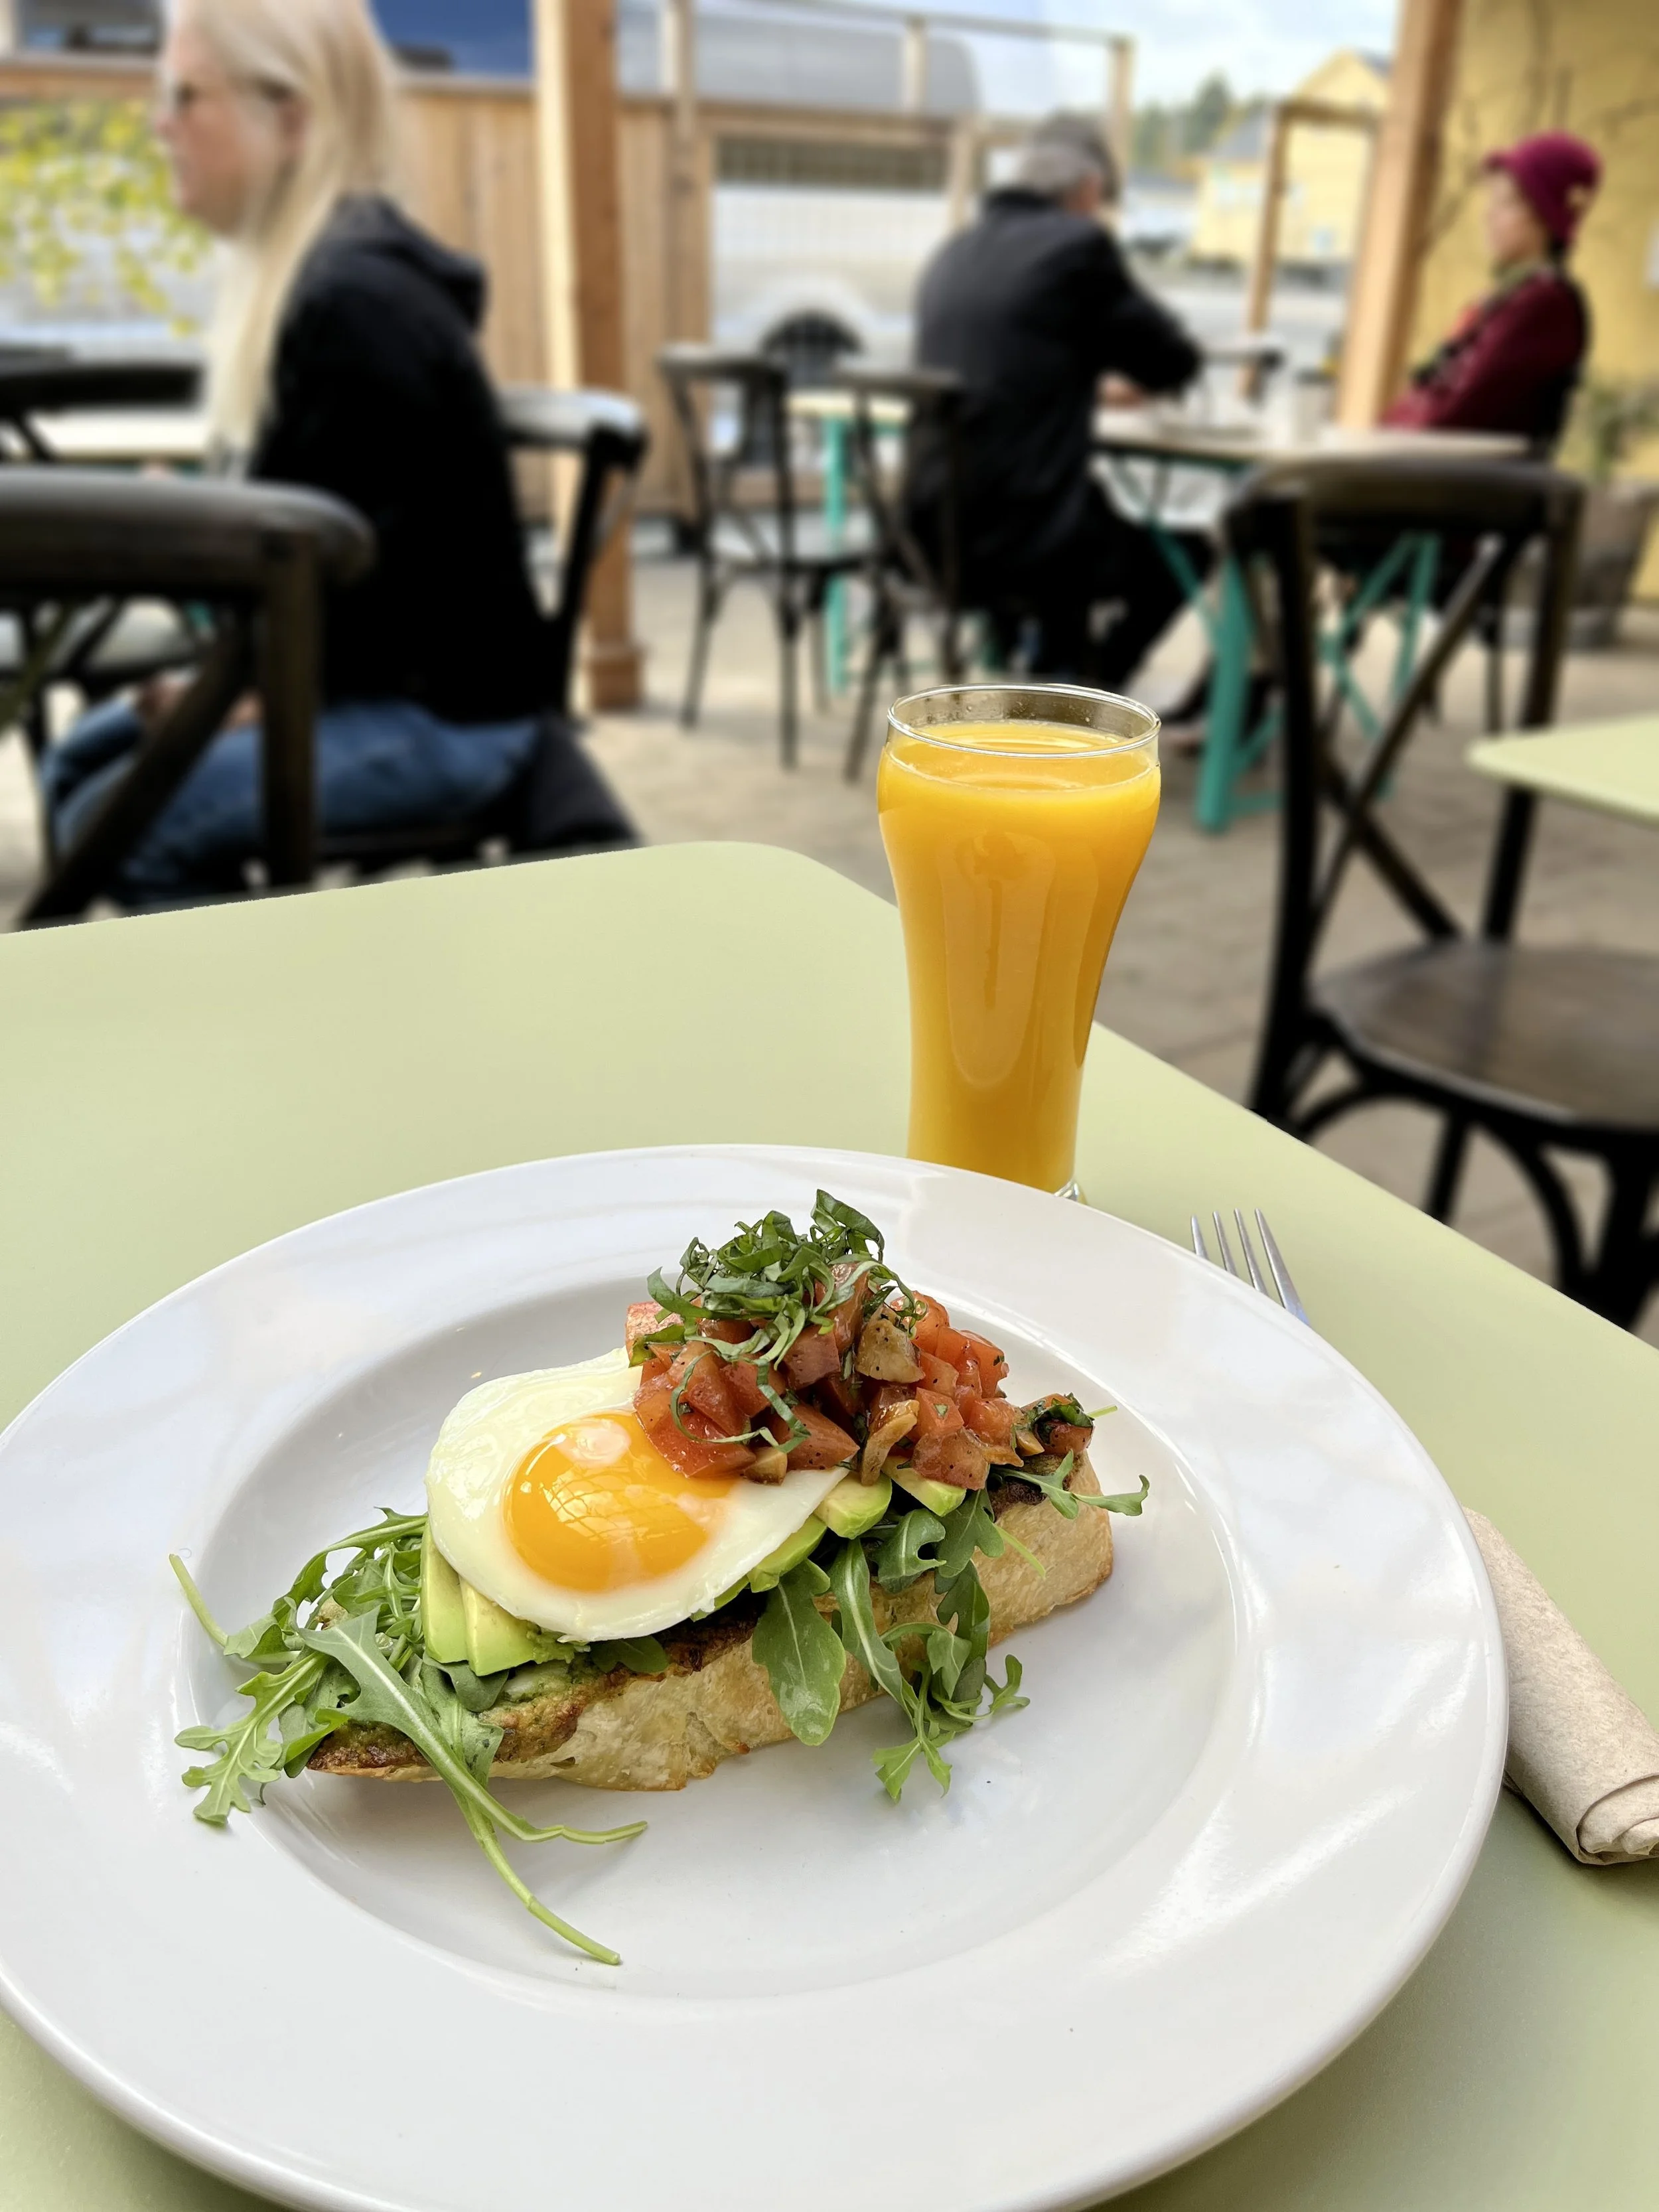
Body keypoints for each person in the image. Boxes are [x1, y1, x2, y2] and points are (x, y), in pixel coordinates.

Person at [43, 0, 628, 906]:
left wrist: (258, 696)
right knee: (77, 766)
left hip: (450, 713)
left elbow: (395, 595)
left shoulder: (352, 307)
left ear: (291, 118)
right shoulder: (324, 282)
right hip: (388, 682)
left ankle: (274, 1036)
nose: (158, 121)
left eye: (182, 93)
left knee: (115, 823)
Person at [907, 113, 1206, 691]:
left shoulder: (954, 252)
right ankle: (1084, 692)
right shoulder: (1078, 247)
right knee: (1186, 556)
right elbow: (1172, 361)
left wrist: (1080, 383)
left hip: (926, 533)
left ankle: (1044, 670)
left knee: (1069, 515)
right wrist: (1132, 378)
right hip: (1021, 540)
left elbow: (1004, 367)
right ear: (1090, 188)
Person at [1384, 132, 1601, 449]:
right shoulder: (1511, 296)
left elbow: (1458, 416)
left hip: (1468, 485)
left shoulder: (1544, 305)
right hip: (1441, 469)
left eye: (1506, 203)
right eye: (1493, 200)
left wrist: (1385, 436)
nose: (1489, 215)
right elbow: (1435, 389)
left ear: (1547, 216)